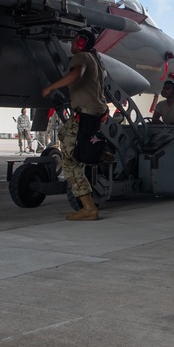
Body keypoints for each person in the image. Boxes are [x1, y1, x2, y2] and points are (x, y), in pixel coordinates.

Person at [41, 30, 107, 220]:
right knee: (63, 134)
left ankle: (89, 207)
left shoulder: (81, 57)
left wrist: (51, 87)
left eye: (75, 39)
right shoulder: (95, 59)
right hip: (88, 115)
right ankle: (95, 150)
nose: (72, 42)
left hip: (85, 116)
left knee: (70, 161)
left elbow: (77, 75)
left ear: (81, 43)